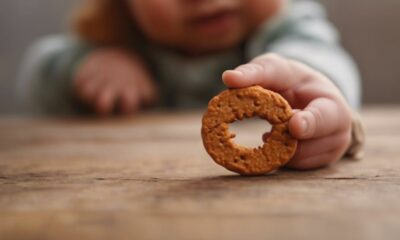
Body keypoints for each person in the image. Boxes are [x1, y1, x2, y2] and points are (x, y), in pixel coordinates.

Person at [17, 0, 364, 169]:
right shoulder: (118, 42)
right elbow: (36, 73)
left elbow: (320, 57)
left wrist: (314, 87)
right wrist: (83, 66)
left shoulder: (284, 29)